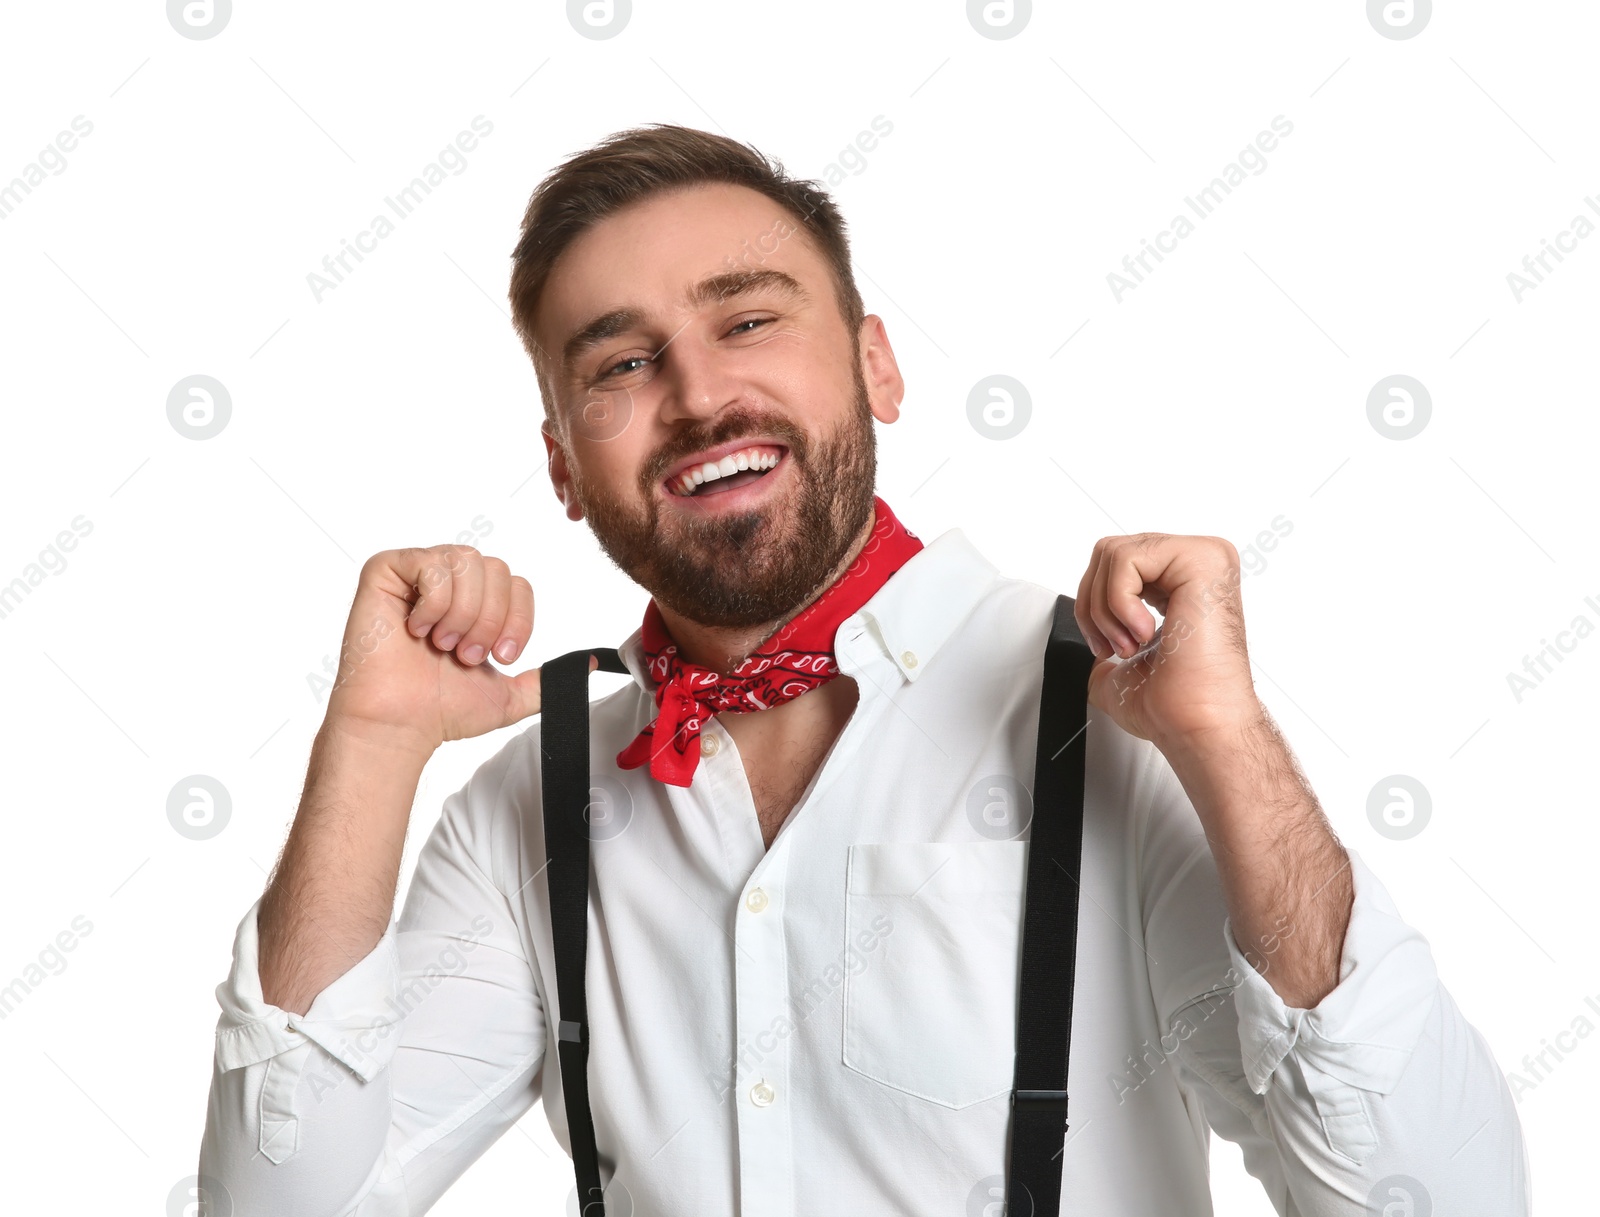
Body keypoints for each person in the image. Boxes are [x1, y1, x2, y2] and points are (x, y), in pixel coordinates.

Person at [198, 124, 1529, 1215]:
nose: (702, 395)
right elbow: (280, 1208)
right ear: (562, 464)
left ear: (876, 366)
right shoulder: (532, 806)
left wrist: (1230, 747)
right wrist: (369, 745)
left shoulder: (1117, 722)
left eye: (750, 320)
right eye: (620, 363)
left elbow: (1442, 1199)